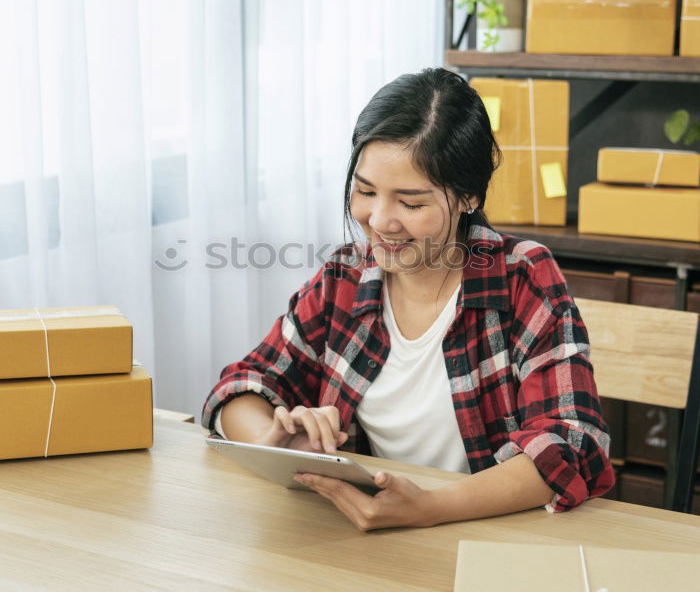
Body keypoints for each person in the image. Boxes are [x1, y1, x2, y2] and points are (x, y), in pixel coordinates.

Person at [200, 67, 614, 531]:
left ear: (468, 196)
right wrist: (273, 443)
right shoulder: (346, 276)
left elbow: (570, 443)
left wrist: (430, 508)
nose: (379, 220)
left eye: (411, 203)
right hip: (366, 538)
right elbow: (242, 385)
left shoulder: (523, 277)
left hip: (488, 535)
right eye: (364, 191)